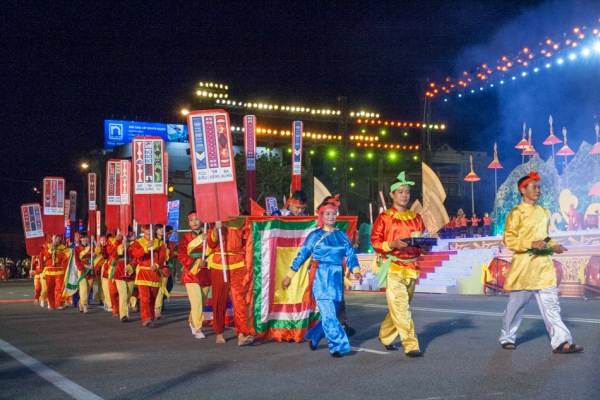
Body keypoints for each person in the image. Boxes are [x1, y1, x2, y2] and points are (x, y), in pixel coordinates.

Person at [499, 171, 583, 354]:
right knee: (516, 306)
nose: (538, 190)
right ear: (523, 190)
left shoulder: (543, 212)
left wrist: (554, 246)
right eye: (534, 187)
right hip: (524, 267)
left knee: (551, 306)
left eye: (539, 187)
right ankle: (507, 337)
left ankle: (561, 341)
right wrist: (531, 243)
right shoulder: (516, 213)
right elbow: (509, 239)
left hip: (543, 266)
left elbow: (545, 238)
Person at [282, 195, 361, 358]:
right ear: (321, 216)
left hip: (336, 278)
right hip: (321, 277)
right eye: (327, 214)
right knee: (330, 314)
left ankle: (314, 336)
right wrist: (289, 275)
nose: (331, 217)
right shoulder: (315, 235)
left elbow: (350, 255)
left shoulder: (341, 235)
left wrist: (356, 270)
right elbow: (302, 255)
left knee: (330, 314)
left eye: (333, 213)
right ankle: (338, 346)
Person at [370, 172, 427, 357]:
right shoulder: (385, 218)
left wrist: (426, 245)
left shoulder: (416, 217)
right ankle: (411, 345)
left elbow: (423, 243)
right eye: (400, 192)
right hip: (393, 267)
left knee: (400, 307)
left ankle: (385, 336)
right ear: (392, 195)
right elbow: (375, 242)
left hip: (412, 268)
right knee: (401, 308)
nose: (404, 195)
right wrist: (392, 244)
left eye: (407, 192)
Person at [206, 218, 254, 346]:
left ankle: (242, 333)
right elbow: (211, 244)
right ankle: (219, 332)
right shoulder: (215, 220)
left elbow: (248, 241)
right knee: (219, 299)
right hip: (219, 263)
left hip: (238, 262)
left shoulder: (242, 220)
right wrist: (215, 229)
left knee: (240, 300)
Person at [178, 211, 211, 339]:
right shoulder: (185, 238)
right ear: (188, 223)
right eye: (191, 220)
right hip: (191, 273)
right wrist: (196, 263)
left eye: (197, 219)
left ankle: (192, 321)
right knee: (196, 301)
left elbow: (214, 249)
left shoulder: (208, 234)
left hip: (206, 271)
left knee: (201, 302)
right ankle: (198, 328)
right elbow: (181, 255)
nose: (195, 222)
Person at [130, 224, 166, 327]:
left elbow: (162, 257)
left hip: (155, 274)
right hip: (143, 274)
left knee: (153, 299)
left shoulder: (159, 243)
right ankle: (146, 318)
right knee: (145, 298)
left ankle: (151, 317)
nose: (149, 230)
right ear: (142, 229)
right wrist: (146, 248)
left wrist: (157, 265)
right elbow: (136, 254)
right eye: (146, 228)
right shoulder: (138, 242)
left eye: (150, 227)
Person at [108, 232, 136, 322]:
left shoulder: (135, 244)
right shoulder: (117, 243)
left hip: (131, 271)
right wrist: (121, 246)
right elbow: (112, 254)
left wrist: (131, 266)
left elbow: (137, 257)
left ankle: (123, 307)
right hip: (119, 271)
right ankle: (124, 315)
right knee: (123, 294)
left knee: (128, 294)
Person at [41, 235, 69, 310]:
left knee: (59, 288)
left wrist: (56, 254)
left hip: (59, 270)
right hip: (49, 271)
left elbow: (65, 257)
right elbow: (45, 256)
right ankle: (51, 304)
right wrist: (51, 250)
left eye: (59, 237)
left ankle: (59, 303)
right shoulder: (47, 246)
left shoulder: (63, 247)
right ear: (52, 238)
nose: (58, 239)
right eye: (56, 237)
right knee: (50, 288)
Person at [154, 224, 172, 319]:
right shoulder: (153, 241)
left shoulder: (167, 242)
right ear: (156, 230)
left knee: (162, 289)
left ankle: (158, 308)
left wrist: (167, 249)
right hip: (156, 268)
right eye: (159, 229)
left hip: (164, 268)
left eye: (162, 228)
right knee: (155, 289)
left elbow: (169, 256)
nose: (161, 230)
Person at [74, 232, 95, 313]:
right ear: (80, 239)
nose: (85, 239)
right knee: (83, 288)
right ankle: (85, 305)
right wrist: (86, 266)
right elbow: (77, 262)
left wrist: (94, 241)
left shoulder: (91, 248)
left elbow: (99, 252)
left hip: (91, 271)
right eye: (83, 238)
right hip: (82, 270)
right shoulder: (77, 249)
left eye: (86, 238)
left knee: (88, 289)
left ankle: (80, 303)